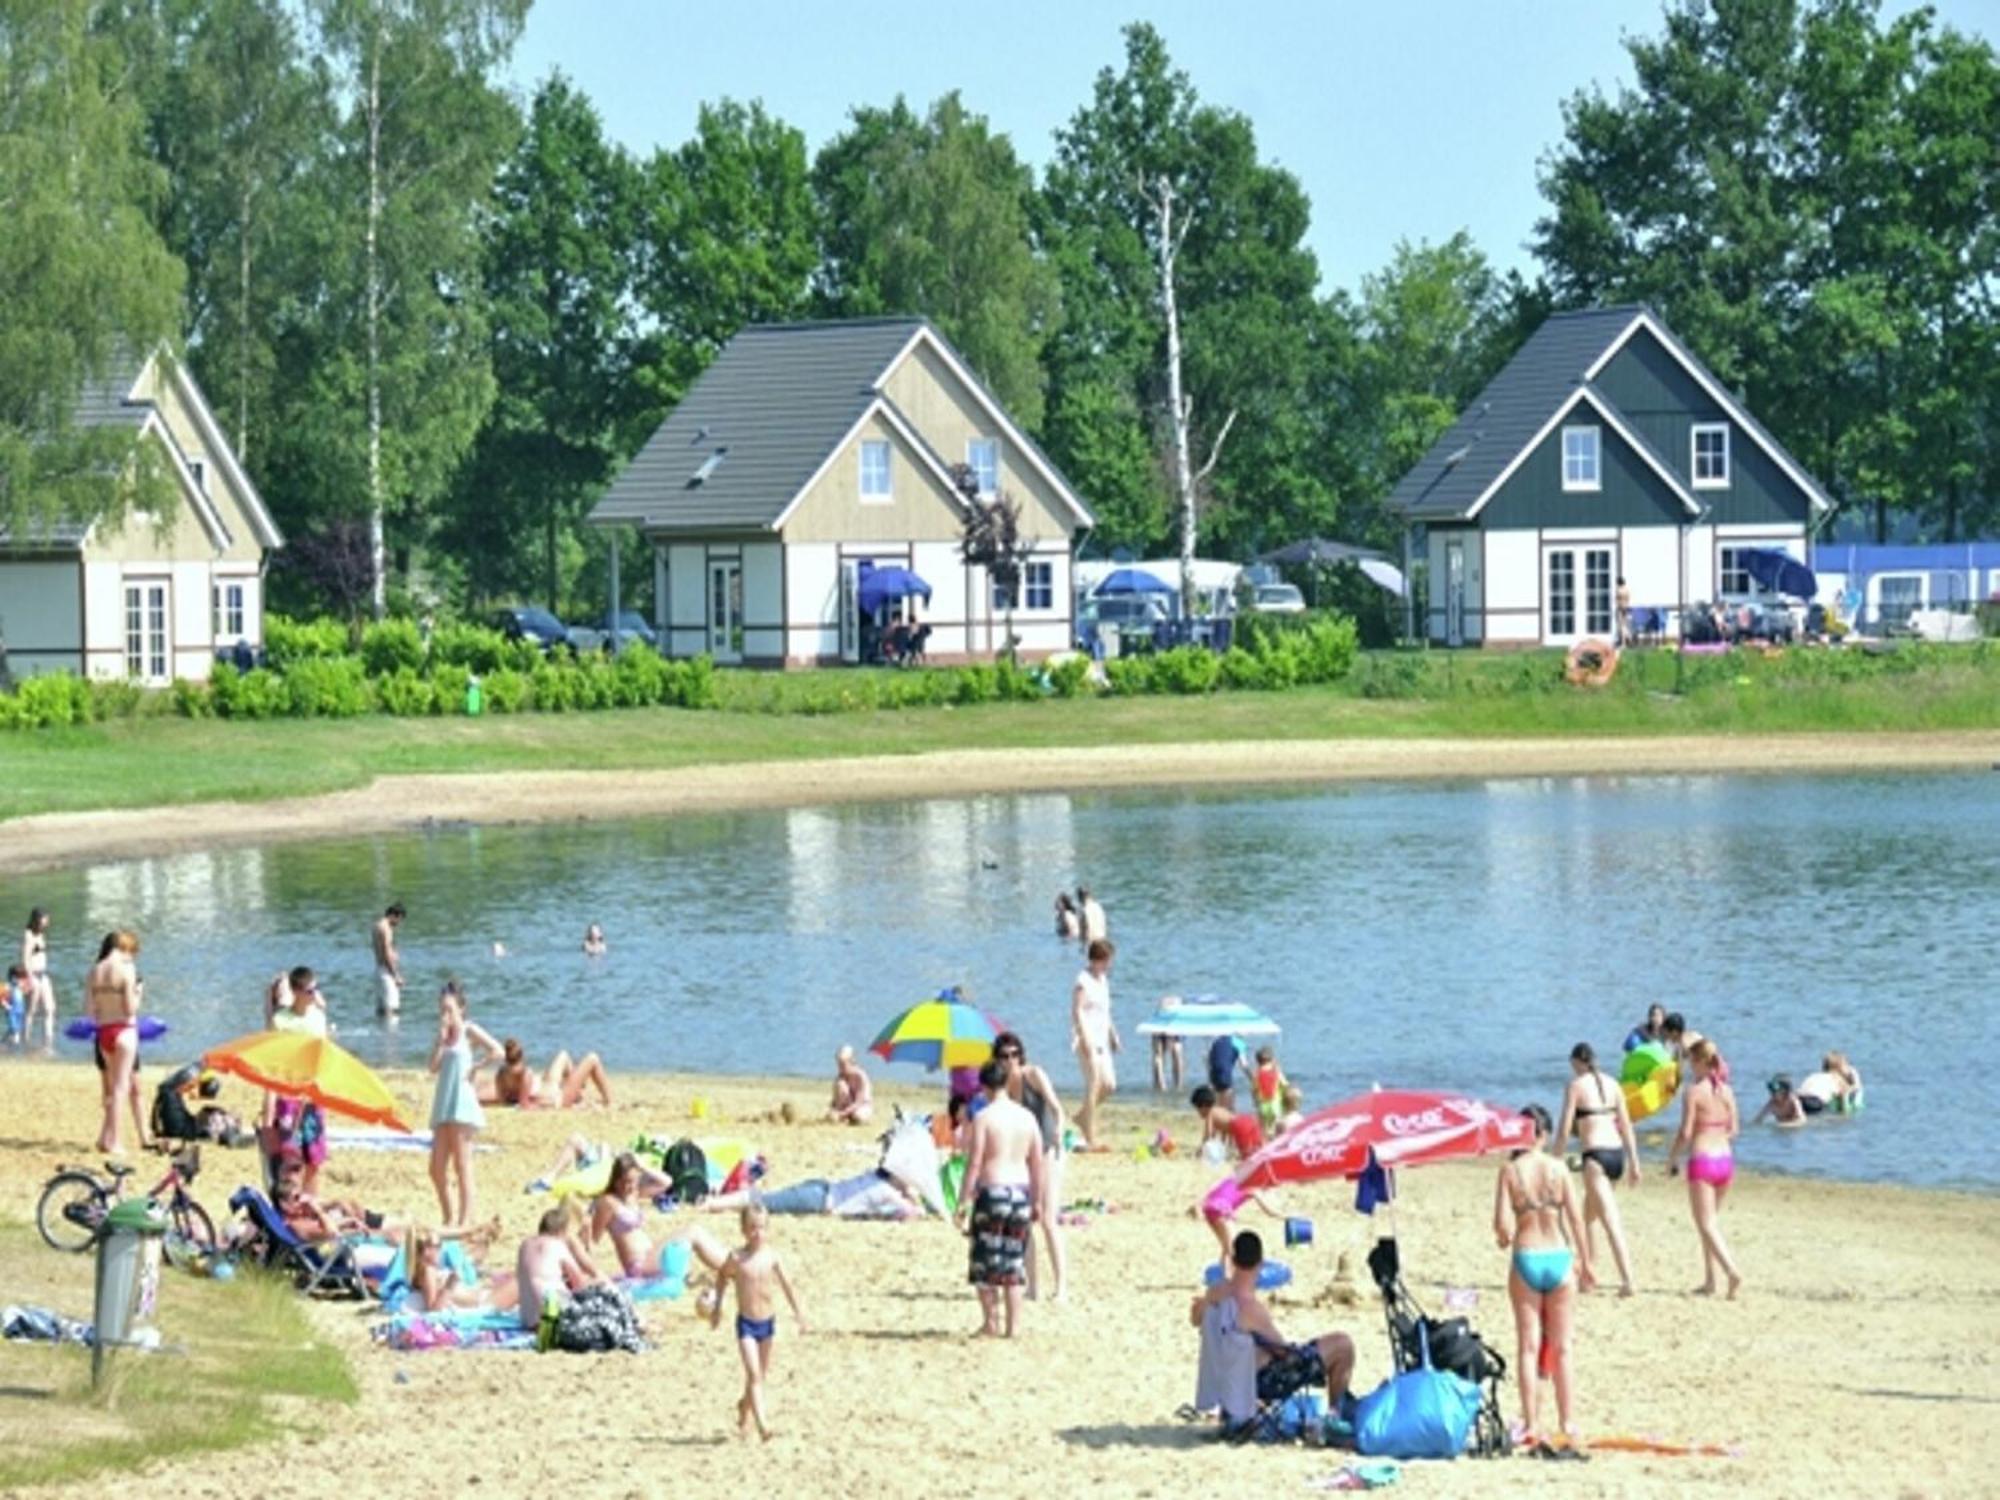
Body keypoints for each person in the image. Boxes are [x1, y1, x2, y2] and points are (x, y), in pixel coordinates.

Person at [1494, 1105, 1593, 1456]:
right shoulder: (1559, 1168)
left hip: (1527, 1257)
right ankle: (1568, 1422)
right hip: (1559, 1257)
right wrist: (1587, 1260)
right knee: (1563, 1348)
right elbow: (1578, 1219)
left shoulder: (1509, 1171)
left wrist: (1508, 1232)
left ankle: (1533, 1422)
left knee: (1528, 1347)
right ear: (1545, 1134)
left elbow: (1502, 1229)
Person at [1189, 1231, 1354, 1414]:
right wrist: (1299, 1350)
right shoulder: (1251, 1309)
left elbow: (1196, 1319)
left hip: (1229, 1382)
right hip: (1264, 1383)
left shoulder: (1215, 1293)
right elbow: (1283, 1352)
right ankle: (1336, 1415)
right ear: (1260, 1263)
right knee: (1343, 1345)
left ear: (1233, 1260)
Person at [955, 1059, 1044, 1338]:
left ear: (984, 1087)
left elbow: (975, 1162)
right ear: (1006, 1083)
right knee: (1013, 1261)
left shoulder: (984, 1118)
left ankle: (991, 1322)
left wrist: (963, 1199)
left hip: (992, 1191)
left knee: (985, 1260)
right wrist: (1037, 1200)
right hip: (1019, 1191)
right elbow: (1036, 1163)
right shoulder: (1027, 1118)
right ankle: (1014, 1327)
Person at [710, 1204, 807, 1441]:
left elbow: (787, 1285)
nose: (757, 1233)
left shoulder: (772, 1257)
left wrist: (799, 1313)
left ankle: (745, 1405)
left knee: (760, 1376)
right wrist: (718, 1306)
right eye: (752, 1228)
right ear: (743, 1230)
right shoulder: (737, 1258)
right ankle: (763, 1426)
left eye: (762, 1228)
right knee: (753, 1374)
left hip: (767, 1323)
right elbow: (723, 1276)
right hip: (746, 1325)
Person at [1556, 1042, 1641, 1297]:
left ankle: (1628, 1279)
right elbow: (1626, 1126)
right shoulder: (1613, 1084)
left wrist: (1554, 1159)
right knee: (1586, 1218)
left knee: (1610, 1220)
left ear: (1577, 1063)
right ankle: (1588, 1275)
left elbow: (1564, 1128)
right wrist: (1634, 1162)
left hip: (1595, 1157)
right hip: (1616, 1155)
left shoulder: (1576, 1086)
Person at [1665, 1039, 1742, 1299]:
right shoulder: (1727, 1092)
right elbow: (1735, 1130)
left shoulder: (1693, 1092)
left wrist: (1672, 1158)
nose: (1688, 1067)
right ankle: (1710, 1280)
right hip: (1725, 1160)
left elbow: (1685, 1132)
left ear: (1699, 1062)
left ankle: (1731, 1271)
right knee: (1709, 1224)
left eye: (1690, 1061)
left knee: (1706, 1224)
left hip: (1703, 1159)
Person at [994, 1030, 1066, 1302]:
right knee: (1025, 1220)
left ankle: (1061, 1288)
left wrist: (1059, 1130)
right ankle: (1032, 1287)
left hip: (1049, 1147)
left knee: (1048, 1219)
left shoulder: (1033, 1075)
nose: (1011, 1060)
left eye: (1015, 1054)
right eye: (1004, 1056)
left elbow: (1056, 1107)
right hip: (1025, 1155)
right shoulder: (1002, 1091)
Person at [427, 980, 500, 1228]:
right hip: (444, 1101)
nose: (446, 1015)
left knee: (462, 1163)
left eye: (450, 1009)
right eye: (442, 1009)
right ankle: (448, 1215)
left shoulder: (469, 1030)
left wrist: (476, 1067)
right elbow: (433, 1067)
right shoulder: (445, 1037)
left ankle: (465, 1219)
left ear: (461, 1008)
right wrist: (439, 1040)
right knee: (436, 1168)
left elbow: (497, 1051)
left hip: (461, 1100)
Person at [87, 930, 149, 1155]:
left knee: (113, 1088)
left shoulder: (96, 970)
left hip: (104, 1031)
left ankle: (106, 1138)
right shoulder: (127, 970)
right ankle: (115, 1140)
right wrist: (139, 992)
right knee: (122, 1088)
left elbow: (90, 1010)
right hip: (124, 1029)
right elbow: (130, 1008)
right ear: (124, 949)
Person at [702, 1169, 926, 1221]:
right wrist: (911, 1195)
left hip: (823, 1187)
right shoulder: (885, 1191)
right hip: (819, 1200)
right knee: (764, 1201)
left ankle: (716, 1201)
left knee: (770, 1198)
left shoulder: (874, 1177)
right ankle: (713, 1204)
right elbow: (912, 1213)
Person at [517, 1205, 604, 1333]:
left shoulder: (525, 1244)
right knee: (600, 1286)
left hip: (528, 1321)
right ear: (562, 1231)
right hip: (552, 1318)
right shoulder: (557, 1244)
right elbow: (580, 1284)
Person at [1070, 938, 1119, 1151]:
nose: (1109, 965)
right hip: (1087, 1038)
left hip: (1102, 1038)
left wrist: (1113, 1033)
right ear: (1097, 960)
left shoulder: (1103, 980)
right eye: (1106, 960)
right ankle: (1091, 1137)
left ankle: (1083, 1116)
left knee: (1109, 1085)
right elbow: (1077, 1011)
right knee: (1094, 1084)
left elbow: (1105, 1011)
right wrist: (1085, 1038)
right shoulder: (1083, 980)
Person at [410, 1228, 519, 1314]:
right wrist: (449, 1285)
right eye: (437, 1246)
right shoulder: (429, 1270)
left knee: (519, 1279)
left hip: (481, 1298)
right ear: (426, 1250)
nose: (441, 1250)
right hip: (482, 1304)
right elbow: (433, 1310)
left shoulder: (431, 1270)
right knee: (522, 1282)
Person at [483, 1038, 613, 1108]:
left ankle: (578, 1094)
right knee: (593, 1058)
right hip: (556, 1097)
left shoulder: (501, 1073)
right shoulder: (525, 1073)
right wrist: (539, 1103)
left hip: (546, 1086)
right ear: (522, 1056)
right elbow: (526, 1105)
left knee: (563, 1055)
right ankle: (609, 1101)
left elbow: (503, 1101)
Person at [1191, 1084, 1264, 1163]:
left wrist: (1200, 1150)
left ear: (1203, 1106)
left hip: (1240, 1125)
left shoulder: (1210, 1114)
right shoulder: (1219, 1109)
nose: (1198, 1113)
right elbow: (1224, 1130)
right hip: (1249, 1119)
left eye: (1198, 1110)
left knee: (1246, 1155)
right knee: (1258, 1148)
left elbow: (1208, 1136)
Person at [20, 907, 54, 1052]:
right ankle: (25, 1041)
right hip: (33, 975)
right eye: (44, 920)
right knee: (31, 1011)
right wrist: (29, 978)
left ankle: (48, 1043)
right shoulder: (29, 935)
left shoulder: (40, 934)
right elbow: (25, 958)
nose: (46, 923)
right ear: (36, 920)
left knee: (50, 1008)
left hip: (43, 975)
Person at [372, 902, 406, 1020]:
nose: (398, 924)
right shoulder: (386, 928)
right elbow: (386, 952)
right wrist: (395, 975)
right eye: (399, 920)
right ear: (394, 915)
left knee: (381, 1008)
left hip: (379, 970)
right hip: (387, 971)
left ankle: (380, 1035)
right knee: (392, 1009)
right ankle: (392, 1036)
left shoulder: (377, 925)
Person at [826, 1045, 873, 1125]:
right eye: (839, 1064)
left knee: (858, 1116)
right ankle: (845, 1117)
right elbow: (835, 1099)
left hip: (862, 1105)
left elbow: (859, 1102)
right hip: (847, 1105)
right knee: (840, 1084)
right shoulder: (841, 1077)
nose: (840, 1068)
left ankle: (846, 1117)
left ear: (851, 1062)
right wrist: (833, 1109)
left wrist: (841, 1114)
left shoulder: (860, 1076)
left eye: (843, 1064)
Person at [1206, 1032, 1251, 1111]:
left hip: (1213, 1072)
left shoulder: (1216, 1041)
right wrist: (1252, 1078)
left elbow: (1208, 1060)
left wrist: (1210, 1079)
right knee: (1229, 1104)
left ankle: (1217, 1119)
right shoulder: (1239, 1043)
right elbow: (1244, 1065)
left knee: (1218, 1103)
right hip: (1224, 1073)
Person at [1149, 996, 1186, 1092]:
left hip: (1163, 1014)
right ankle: (1177, 1086)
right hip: (1169, 1014)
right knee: (1175, 1051)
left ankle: (1161, 1086)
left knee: (1159, 1055)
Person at [1251, 1045, 1288, 1137]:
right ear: (1272, 1060)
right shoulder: (1276, 1072)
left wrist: (1255, 1102)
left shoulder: (1257, 1074)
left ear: (1258, 1062)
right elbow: (1285, 1085)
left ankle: (1265, 1143)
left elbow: (1254, 1091)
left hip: (1263, 1106)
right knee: (1277, 1129)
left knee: (1263, 1130)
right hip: (1275, 1105)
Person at [5, 962, 28, 1049]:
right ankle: (16, 1048)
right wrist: (7, 1005)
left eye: (22, 978)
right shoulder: (8, 986)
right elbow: (2, 998)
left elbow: (25, 994)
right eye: (19, 978)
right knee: (15, 1031)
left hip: (20, 1011)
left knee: (14, 1029)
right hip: (12, 1012)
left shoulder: (20, 986)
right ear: (12, 977)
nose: (21, 980)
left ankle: (4, 1043)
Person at [1615, 575, 1633, 646]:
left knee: (1621, 626)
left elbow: (1617, 600)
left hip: (1620, 608)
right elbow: (1628, 599)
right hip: (1627, 608)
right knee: (1626, 625)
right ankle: (1629, 638)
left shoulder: (1618, 590)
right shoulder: (1627, 590)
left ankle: (1623, 642)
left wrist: (1619, 606)